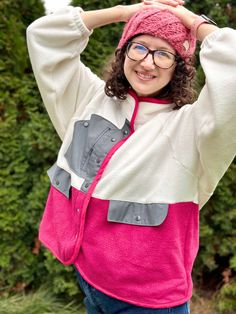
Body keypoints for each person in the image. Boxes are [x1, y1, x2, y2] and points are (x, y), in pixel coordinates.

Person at [26, 0, 236, 313]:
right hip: (89, 277)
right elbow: (43, 35)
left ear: (179, 66)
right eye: (139, 47)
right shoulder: (89, 98)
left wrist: (194, 23)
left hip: (149, 301)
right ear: (124, 50)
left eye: (163, 54)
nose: (148, 63)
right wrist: (126, 13)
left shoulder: (191, 129)